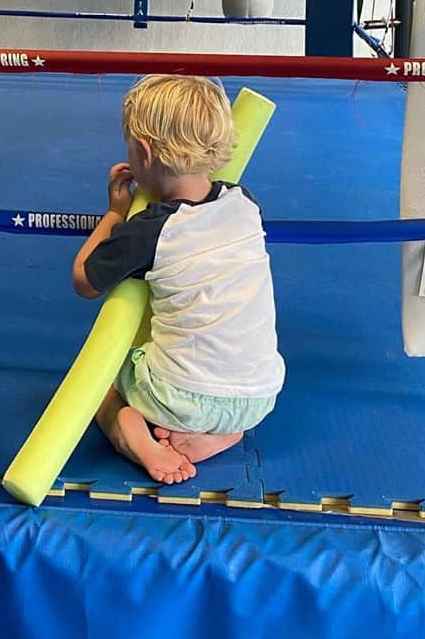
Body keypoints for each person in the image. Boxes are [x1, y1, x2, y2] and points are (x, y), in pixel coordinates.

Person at [71, 75, 284, 485]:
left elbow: (83, 280)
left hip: (178, 397)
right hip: (258, 396)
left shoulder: (152, 229)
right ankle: (217, 436)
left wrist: (116, 212)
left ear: (145, 154)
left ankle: (134, 435)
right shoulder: (245, 203)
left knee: (96, 385)